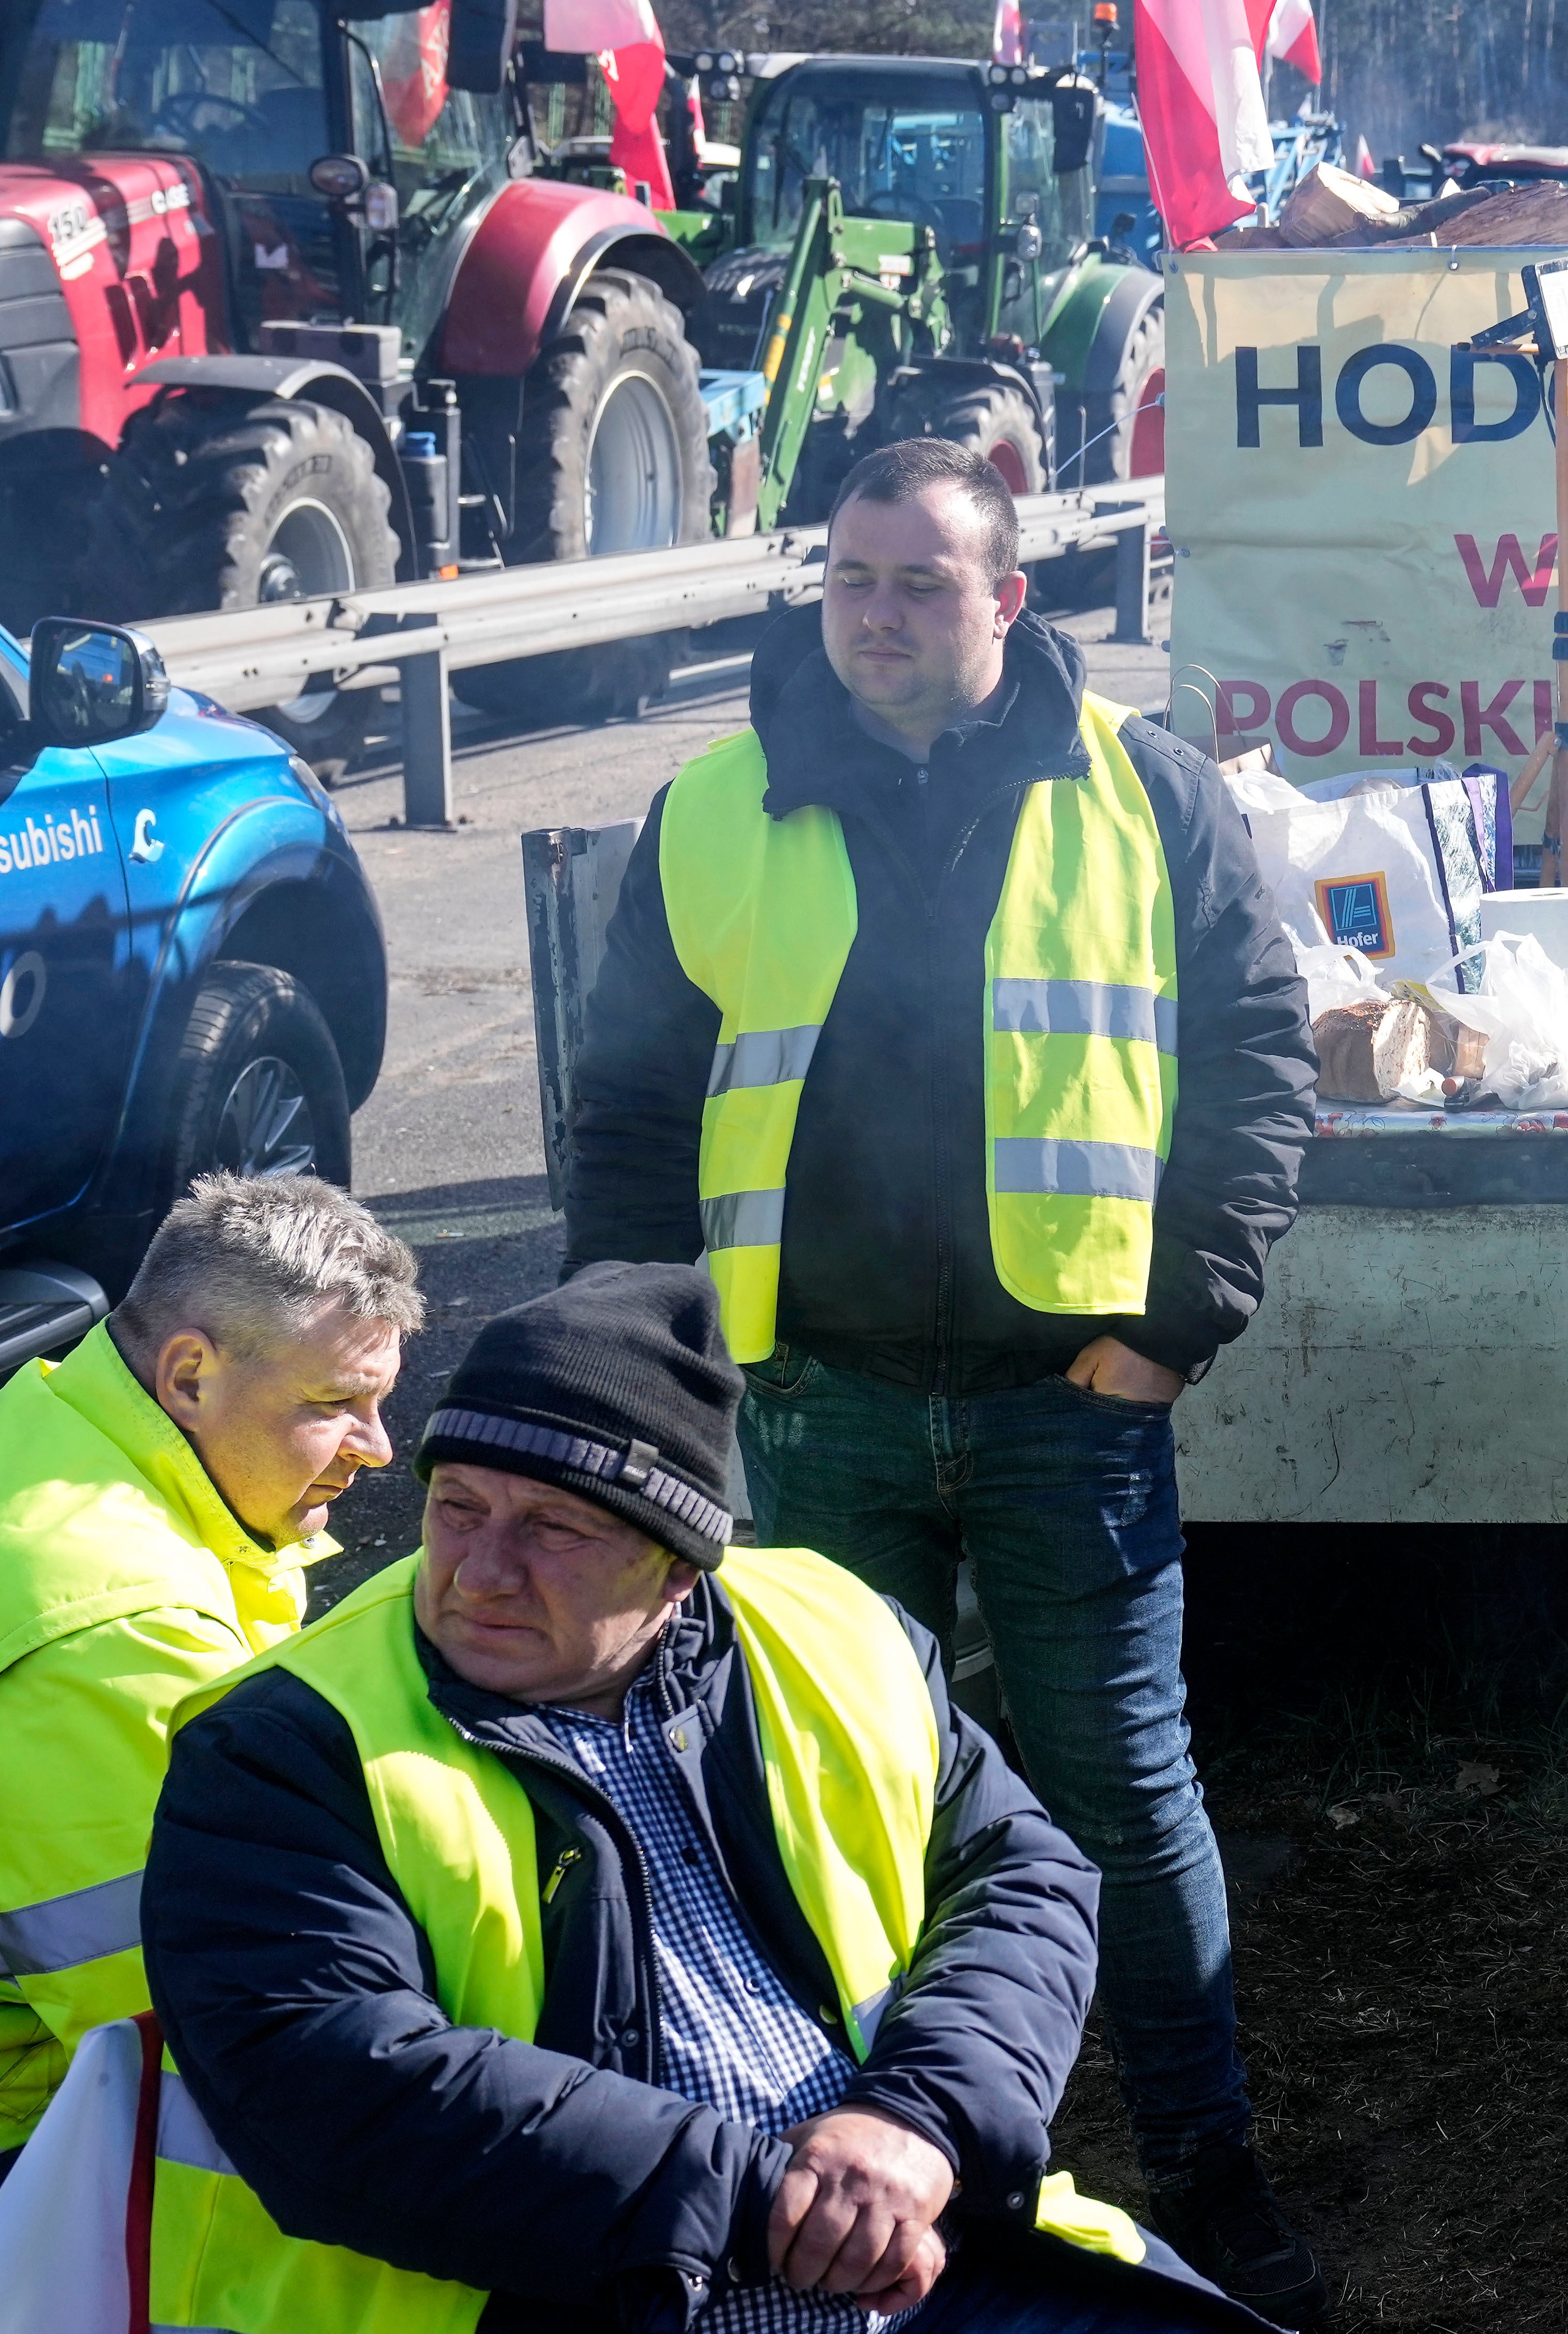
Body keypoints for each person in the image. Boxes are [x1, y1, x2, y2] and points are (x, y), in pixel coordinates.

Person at [563, 434, 1323, 2320]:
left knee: (1122, 1802)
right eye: (850, 579)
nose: (878, 616)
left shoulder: (1144, 791)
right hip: (809, 1403)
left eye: (920, 582)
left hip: (1072, 1400)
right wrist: (649, 1380)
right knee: (840, 1812)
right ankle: (894, 2179)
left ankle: (1212, 2170)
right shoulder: (718, 802)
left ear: (1008, 595)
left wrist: (1170, 1330)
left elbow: (1255, 1058)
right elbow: (638, 1117)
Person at [145, 1265, 1260, 2330]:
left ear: (682, 1568)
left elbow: (1021, 1873)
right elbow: (341, 2081)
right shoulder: (280, 1744)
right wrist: (783, 2203)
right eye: (457, 1505)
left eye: (553, 1529)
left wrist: (920, 2120)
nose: (479, 1570)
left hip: (932, 2263)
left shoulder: (832, 1628)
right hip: (560, 2301)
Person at [0, 1176, 412, 2331]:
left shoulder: (72, 1438)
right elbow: (207, 2025)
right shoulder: (101, 1627)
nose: (378, 1450)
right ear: (187, 1375)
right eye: (337, 1403)